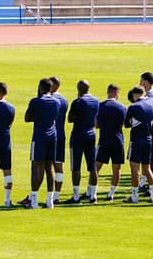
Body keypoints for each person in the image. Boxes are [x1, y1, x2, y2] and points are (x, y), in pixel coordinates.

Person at [23, 78, 59, 209]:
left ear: (41, 87)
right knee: (49, 168)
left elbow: (27, 118)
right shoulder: (57, 102)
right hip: (52, 136)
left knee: (36, 167)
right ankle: (50, 201)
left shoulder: (35, 101)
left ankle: (33, 201)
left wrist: (37, 117)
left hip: (39, 137)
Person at [124, 86, 153, 203]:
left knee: (134, 169)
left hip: (136, 140)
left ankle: (134, 196)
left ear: (135, 94)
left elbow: (126, 124)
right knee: (147, 168)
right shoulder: (152, 104)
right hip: (149, 139)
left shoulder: (133, 106)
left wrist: (133, 121)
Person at [67, 79, 99, 204]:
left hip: (78, 135)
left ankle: (76, 197)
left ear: (78, 89)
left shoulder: (77, 102)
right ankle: (93, 196)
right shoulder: (96, 101)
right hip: (91, 134)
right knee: (92, 166)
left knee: (76, 166)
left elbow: (70, 119)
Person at [95, 84, 126, 202]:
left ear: (108, 92)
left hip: (104, 140)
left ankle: (92, 193)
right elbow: (124, 124)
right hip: (118, 141)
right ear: (117, 93)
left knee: (96, 167)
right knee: (116, 169)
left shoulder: (100, 106)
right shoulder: (122, 107)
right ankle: (111, 194)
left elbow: (96, 125)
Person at [49, 76, 68, 204]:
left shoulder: (50, 99)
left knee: (45, 165)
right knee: (59, 165)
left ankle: (45, 196)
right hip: (61, 134)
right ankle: (56, 196)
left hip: (50, 135)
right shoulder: (65, 100)